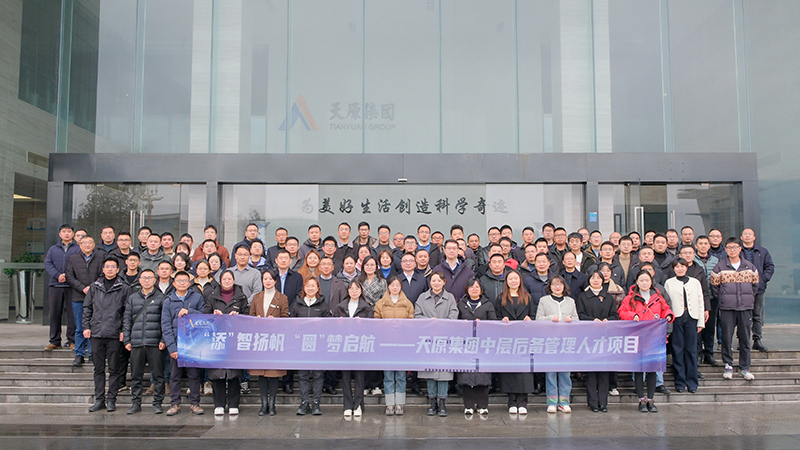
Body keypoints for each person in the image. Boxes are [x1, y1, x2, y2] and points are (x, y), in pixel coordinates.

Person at [618, 270, 674, 413]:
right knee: (639, 369)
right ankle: (641, 400)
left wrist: (668, 316)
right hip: (638, 338)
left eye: (647, 280)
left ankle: (650, 399)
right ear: (637, 282)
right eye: (641, 280)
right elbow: (622, 312)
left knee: (652, 370)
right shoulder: (630, 298)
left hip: (654, 338)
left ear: (651, 282)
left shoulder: (658, 297)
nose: (644, 283)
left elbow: (666, 309)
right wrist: (632, 315)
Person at [82, 256, 130, 412]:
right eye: (107, 266)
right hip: (96, 332)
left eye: (113, 267)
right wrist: (86, 326)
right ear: (103, 269)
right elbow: (87, 308)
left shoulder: (124, 288)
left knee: (114, 369)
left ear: (118, 270)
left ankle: (111, 400)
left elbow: (127, 312)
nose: (110, 269)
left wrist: (123, 330)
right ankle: (99, 400)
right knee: (98, 369)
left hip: (114, 333)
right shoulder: (94, 287)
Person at [711, 238, 760, 381]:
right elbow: (715, 287)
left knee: (745, 338)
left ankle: (745, 367)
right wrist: (724, 299)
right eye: (729, 247)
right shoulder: (719, 267)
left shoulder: (749, 267)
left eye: (735, 247)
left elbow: (755, 286)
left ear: (740, 249)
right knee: (726, 338)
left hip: (745, 307)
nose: (732, 250)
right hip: (727, 308)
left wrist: (747, 298)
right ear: (725, 250)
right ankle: (728, 365)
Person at [161, 271, 206, 416]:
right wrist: (171, 347)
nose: (182, 283)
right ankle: (175, 404)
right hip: (176, 344)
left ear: (189, 283)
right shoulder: (168, 301)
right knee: (175, 376)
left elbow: (205, 316)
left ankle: (195, 403)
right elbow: (165, 325)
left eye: (184, 281)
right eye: (179, 281)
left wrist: (190, 311)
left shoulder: (197, 298)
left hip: (193, 344)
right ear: (174, 283)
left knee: (194, 375)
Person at [205, 270, 249, 416]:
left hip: (234, 340)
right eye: (224, 279)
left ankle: (233, 404)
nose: (227, 281)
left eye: (229, 279)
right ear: (220, 280)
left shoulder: (241, 297)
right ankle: (218, 404)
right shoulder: (212, 296)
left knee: (234, 374)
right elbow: (205, 316)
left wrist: (239, 316)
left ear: (234, 280)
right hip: (217, 339)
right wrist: (213, 316)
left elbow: (247, 315)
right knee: (217, 373)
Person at [122, 268, 166, 414]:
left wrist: (163, 339)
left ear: (155, 280)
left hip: (155, 342)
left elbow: (164, 321)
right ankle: (136, 403)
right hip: (136, 342)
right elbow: (127, 320)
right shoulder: (133, 298)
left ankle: (158, 403)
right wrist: (127, 339)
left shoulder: (161, 297)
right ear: (139, 280)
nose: (147, 281)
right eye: (144, 278)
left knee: (158, 375)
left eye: (150, 278)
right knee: (136, 376)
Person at [415, 271, 459, 417]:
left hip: (444, 340)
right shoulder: (422, 298)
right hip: (428, 340)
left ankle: (442, 403)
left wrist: (441, 324)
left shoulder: (450, 298)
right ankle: (432, 401)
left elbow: (454, 315)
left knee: (444, 373)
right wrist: (429, 322)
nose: (436, 283)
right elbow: (417, 316)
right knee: (430, 372)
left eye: (439, 281)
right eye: (433, 280)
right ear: (430, 282)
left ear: (444, 282)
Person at [576, 267, 619, 412]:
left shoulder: (608, 297)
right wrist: (592, 320)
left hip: (605, 338)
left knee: (604, 372)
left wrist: (608, 320)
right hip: (588, 338)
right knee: (591, 372)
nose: (596, 280)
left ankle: (603, 403)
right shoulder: (583, 297)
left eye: (598, 278)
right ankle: (593, 403)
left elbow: (615, 315)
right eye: (593, 278)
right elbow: (580, 315)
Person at [249, 269, 289, 416]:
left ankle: (272, 404)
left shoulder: (282, 298)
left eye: (270, 279)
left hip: (275, 339)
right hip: (260, 339)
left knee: (273, 373)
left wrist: (276, 321)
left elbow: (286, 319)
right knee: (261, 373)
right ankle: (263, 404)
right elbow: (251, 315)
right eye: (265, 279)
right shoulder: (257, 297)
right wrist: (256, 320)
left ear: (275, 281)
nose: (268, 281)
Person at [373, 275, 415, 415]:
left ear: (401, 286)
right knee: (388, 376)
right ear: (388, 286)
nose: (395, 287)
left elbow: (411, 323)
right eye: (392, 285)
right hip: (386, 344)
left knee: (401, 376)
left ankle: (400, 404)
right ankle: (390, 404)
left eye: (397, 285)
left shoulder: (407, 304)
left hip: (402, 345)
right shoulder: (381, 304)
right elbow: (376, 323)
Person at [536, 276, 578, 414]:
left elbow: (577, 320)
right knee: (551, 373)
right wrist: (550, 318)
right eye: (554, 284)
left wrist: (571, 319)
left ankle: (564, 402)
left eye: (560, 284)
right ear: (550, 287)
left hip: (566, 341)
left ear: (564, 286)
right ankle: (552, 402)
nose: (557, 287)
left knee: (565, 373)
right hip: (550, 341)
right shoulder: (544, 300)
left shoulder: (570, 301)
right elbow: (538, 319)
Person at [290, 277, 332, 416]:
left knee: (318, 375)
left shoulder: (323, 305)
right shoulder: (297, 304)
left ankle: (316, 403)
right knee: (303, 375)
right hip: (301, 346)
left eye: (313, 286)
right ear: (304, 288)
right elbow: (291, 324)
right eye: (307, 286)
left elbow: (329, 324)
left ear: (318, 288)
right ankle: (303, 403)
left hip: (318, 346)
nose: (310, 288)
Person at [496, 270, 535, 414]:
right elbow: (496, 316)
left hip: (524, 339)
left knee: (524, 372)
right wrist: (502, 321)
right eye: (510, 279)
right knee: (510, 371)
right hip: (508, 339)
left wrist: (530, 319)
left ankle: (523, 402)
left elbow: (533, 315)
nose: (513, 281)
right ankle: (512, 401)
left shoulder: (527, 297)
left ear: (520, 280)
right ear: (506, 281)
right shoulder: (501, 298)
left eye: (516, 278)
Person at [664, 258, 705, 393]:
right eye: (677, 267)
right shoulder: (669, 283)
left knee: (691, 350)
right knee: (678, 350)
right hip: (676, 318)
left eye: (682, 266)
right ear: (673, 269)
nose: (680, 269)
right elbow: (667, 303)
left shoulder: (695, 282)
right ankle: (680, 382)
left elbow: (700, 302)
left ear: (687, 267)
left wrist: (700, 322)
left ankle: (692, 382)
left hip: (692, 318)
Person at [456, 278, 496, 415]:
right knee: (466, 376)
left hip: (482, 344)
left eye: (477, 287)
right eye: (471, 287)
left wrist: (483, 324)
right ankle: (468, 405)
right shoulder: (461, 304)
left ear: (481, 290)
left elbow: (494, 323)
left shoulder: (487, 304)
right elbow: (454, 322)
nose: (474, 289)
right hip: (465, 344)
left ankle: (482, 405)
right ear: (467, 289)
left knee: (482, 375)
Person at [333, 280, 372, 417]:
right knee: (346, 376)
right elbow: (332, 327)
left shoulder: (367, 308)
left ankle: (358, 405)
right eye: (351, 288)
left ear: (361, 291)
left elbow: (372, 328)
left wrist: (362, 324)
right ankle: (347, 405)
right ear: (348, 291)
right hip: (345, 345)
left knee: (360, 377)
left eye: (357, 288)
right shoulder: (340, 307)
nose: (354, 291)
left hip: (360, 345)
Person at [65, 235, 103, 366]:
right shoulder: (73, 258)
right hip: (78, 297)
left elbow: (103, 275)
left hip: (96, 297)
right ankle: (79, 354)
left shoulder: (100, 257)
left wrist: (92, 288)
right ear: (80, 245)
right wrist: (82, 288)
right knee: (79, 326)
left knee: (94, 326)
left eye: (90, 242)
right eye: (84, 243)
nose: (87, 245)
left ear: (94, 244)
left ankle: (93, 354)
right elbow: (69, 276)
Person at [44, 224, 79, 351]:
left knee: (72, 314)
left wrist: (68, 276)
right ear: (60, 234)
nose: (67, 234)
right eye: (64, 231)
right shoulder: (53, 249)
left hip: (72, 286)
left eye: (69, 231)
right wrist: (57, 275)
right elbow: (48, 264)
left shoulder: (78, 248)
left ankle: (72, 340)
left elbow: (79, 265)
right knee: (54, 313)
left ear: (73, 234)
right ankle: (55, 341)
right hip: (56, 285)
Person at [739, 228, 774, 352]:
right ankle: (742, 340)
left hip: (758, 289)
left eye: (750, 234)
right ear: (741, 237)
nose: (747, 236)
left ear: (754, 237)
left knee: (757, 315)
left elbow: (770, 267)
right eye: (745, 234)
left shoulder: (762, 252)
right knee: (742, 315)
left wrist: (762, 280)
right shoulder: (737, 251)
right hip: (740, 289)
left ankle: (757, 339)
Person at [695, 235, 720, 366]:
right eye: (701, 243)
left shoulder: (715, 260)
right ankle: (699, 354)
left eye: (705, 243)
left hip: (712, 298)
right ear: (696, 246)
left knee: (710, 327)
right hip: (697, 299)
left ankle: (709, 354)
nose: (703, 246)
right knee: (699, 328)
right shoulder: (693, 260)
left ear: (709, 246)